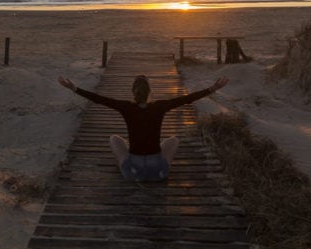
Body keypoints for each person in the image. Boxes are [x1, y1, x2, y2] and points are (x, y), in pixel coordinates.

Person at [57, 74, 229, 181]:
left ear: (133, 91)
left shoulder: (126, 107)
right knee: (173, 140)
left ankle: (127, 167)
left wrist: (74, 88)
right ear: (150, 91)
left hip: (133, 171)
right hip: (159, 171)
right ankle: (161, 170)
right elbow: (187, 99)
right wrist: (213, 88)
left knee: (114, 139)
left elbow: (99, 99)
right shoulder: (160, 106)